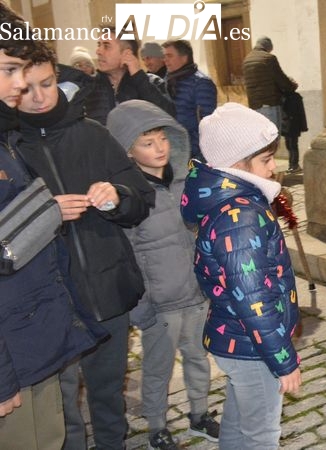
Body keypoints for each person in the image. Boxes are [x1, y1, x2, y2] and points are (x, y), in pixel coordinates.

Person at [15, 44, 156, 450]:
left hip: (106, 290)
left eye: (47, 84)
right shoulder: (10, 148)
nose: (39, 96)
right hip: (49, 301)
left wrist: (117, 196)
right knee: (60, 406)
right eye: (28, 88)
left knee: (108, 393)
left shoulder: (92, 133)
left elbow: (141, 196)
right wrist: (45, 213)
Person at [0, 10, 102, 449]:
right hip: (13, 358)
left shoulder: (7, 138)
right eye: (9, 70)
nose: (21, 85)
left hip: (33, 339)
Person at [180, 102, 301, 450]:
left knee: (236, 426)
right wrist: (284, 360)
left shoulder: (235, 205)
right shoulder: (240, 217)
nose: (273, 167)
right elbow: (254, 300)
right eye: (265, 159)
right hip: (253, 346)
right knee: (261, 436)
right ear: (238, 163)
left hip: (236, 339)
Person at [106, 100, 220, 450]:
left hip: (195, 295)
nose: (159, 148)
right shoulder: (131, 199)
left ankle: (199, 414)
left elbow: (201, 236)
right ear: (128, 151)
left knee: (199, 358)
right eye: (147, 142)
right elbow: (128, 256)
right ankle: (157, 425)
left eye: (162, 139)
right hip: (161, 303)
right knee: (157, 368)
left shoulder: (185, 183)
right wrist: (142, 306)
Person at [84, 26, 175, 124]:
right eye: (99, 45)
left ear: (126, 53)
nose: (98, 51)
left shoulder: (151, 82)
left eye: (106, 46)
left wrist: (139, 78)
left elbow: (169, 116)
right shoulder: (88, 86)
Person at [162, 39, 217, 162]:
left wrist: (196, 150)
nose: (165, 60)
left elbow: (207, 121)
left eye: (169, 56)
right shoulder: (168, 80)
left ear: (184, 57)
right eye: (164, 56)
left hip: (193, 151)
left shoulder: (201, 82)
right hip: (172, 147)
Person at [242, 37, 297, 132]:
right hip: (269, 103)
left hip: (254, 106)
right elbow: (281, 79)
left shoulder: (247, 59)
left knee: (261, 138)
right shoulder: (269, 58)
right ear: (268, 47)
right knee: (273, 137)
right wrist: (292, 86)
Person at [281, 91, 307, 174]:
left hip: (293, 124)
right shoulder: (282, 96)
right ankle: (291, 165)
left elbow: (301, 112)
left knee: (293, 145)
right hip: (286, 125)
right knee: (289, 145)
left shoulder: (295, 97)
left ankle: (294, 165)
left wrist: (303, 126)